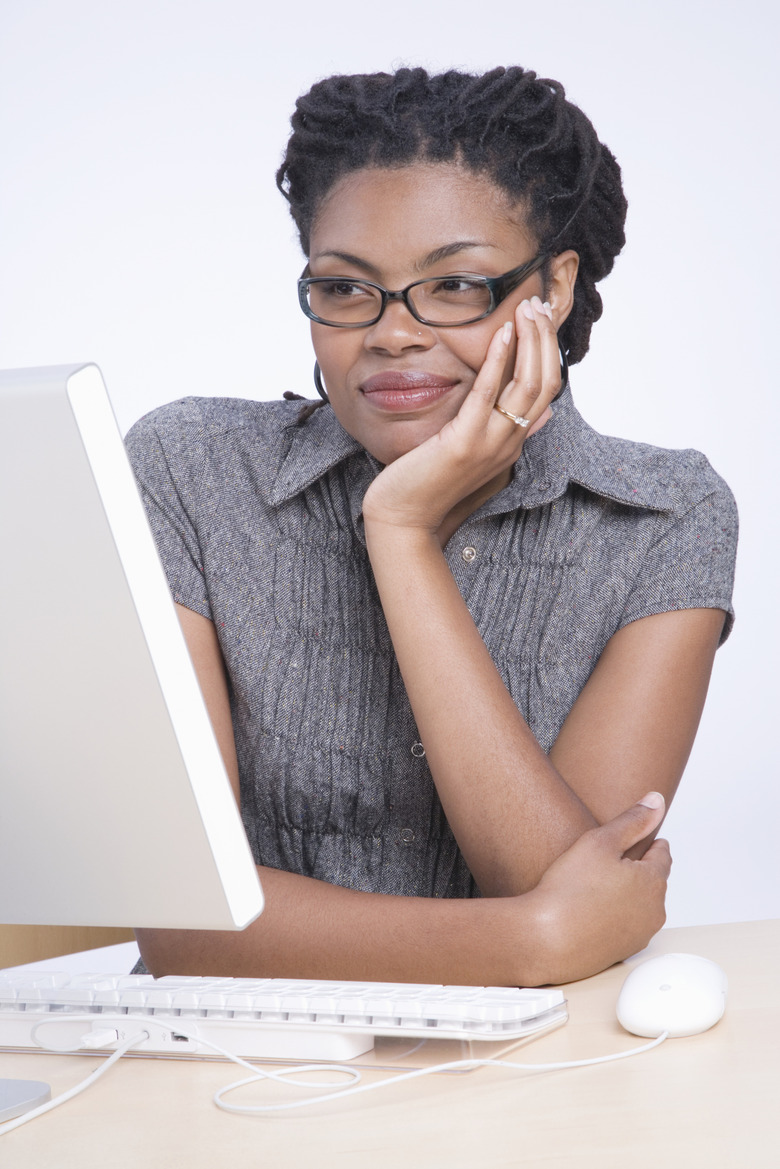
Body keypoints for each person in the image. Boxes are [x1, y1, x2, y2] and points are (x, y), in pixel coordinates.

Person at [127, 66, 737, 987]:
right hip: (228, 1073)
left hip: (541, 1083)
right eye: (344, 289)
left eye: (453, 285)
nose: (392, 333)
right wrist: (527, 939)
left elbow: (569, 890)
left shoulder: (663, 517)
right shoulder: (190, 469)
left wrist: (403, 534)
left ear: (555, 287)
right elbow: (184, 922)